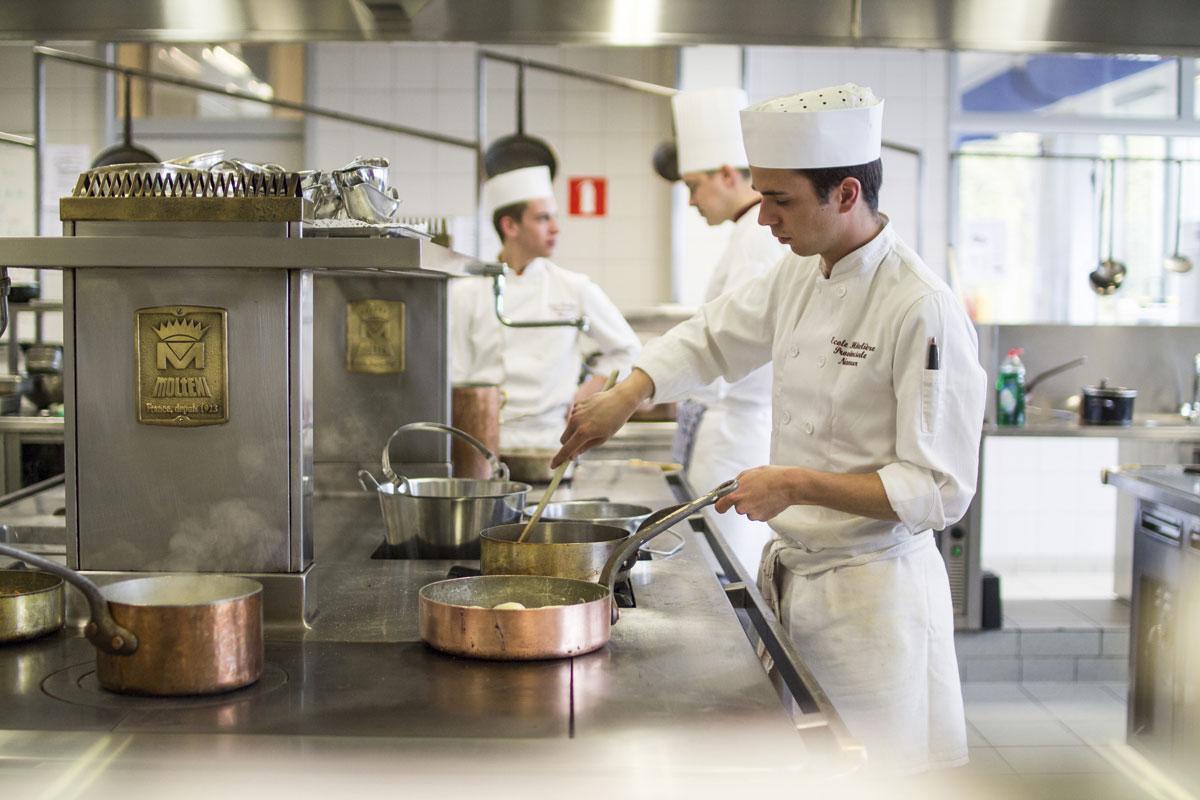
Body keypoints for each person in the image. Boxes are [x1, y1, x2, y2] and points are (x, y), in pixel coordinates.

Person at [553, 84, 986, 774]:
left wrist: (794, 483)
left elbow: (939, 489)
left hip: (874, 604)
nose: (764, 219)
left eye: (780, 201)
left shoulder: (920, 306)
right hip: (798, 584)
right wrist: (627, 392)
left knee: (874, 779)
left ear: (846, 194)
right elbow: (712, 338)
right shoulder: (799, 273)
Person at [663, 88, 789, 577]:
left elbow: (730, 346)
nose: (693, 200)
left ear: (728, 174)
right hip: (729, 433)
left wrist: (656, 383)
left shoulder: (757, 239)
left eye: (694, 185)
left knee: (725, 574)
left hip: (740, 433)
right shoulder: (745, 235)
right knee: (715, 568)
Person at [451, 164, 641, 451]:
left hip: (553, 442)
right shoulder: (466, 292)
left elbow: (629, 351)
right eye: (542, 218)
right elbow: (455, 377)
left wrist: (589, 391)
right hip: (483, 445)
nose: (555, 228)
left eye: (554, 217)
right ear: (510, 226)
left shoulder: (574, 288)